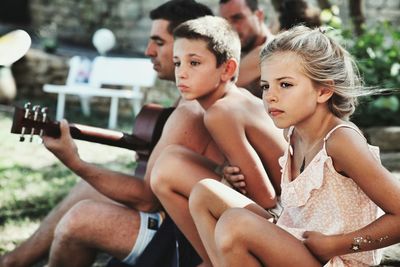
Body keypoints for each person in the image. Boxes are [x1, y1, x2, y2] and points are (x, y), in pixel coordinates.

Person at [0, 1, 215, 267]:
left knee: (80, 221)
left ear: (188, 42)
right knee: (86, 189)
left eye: (158, 43)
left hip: (184, 238)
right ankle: (12, 261)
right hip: (169, 216)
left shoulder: (191, 111)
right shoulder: (187, 102)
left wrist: (74, 161)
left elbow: (146, 200)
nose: (149, 52)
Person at [189, 25, 400, 266]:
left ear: (324, 90)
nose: (270, 96)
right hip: (298, 242)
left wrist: (338, 244)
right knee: (205, 192)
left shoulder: (341, 141)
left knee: (235, 223)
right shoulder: (294, 132)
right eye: (266, 85)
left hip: (335, 258)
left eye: (285, 85)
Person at [150, 16, 286, 267]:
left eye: (194, 63)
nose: (182, 73)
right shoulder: (238, 99)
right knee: (171, 158)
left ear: (228, 69)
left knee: (167, 171)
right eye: (178, 63)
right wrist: (221, 172)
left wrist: (224, 185)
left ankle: (212, 260)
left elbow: (266, 198)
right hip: (272, 212)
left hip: (284, 222)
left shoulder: (221, 112)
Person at [219, 0, 273, 98]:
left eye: (237, 18)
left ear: (259, 16)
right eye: (225, 21)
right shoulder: (225, 51)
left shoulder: (278, 50)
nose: (230, 27)